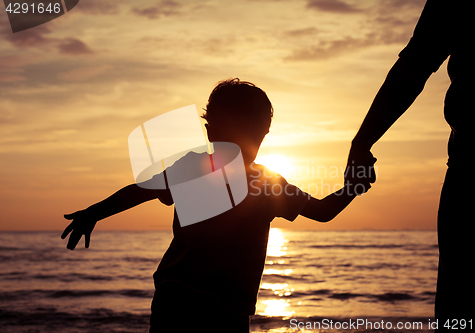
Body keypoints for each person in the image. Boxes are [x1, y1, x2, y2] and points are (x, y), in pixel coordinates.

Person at [62, 78, 376, 333]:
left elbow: (140, 190)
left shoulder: (198, 168)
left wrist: (94, 213)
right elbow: (323, 212)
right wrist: (353, 187)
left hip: (179, 299)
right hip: (220, 307)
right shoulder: (265, 182)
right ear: (263, 133)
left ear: (210, 130)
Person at [346, 0, 475, 330]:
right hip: (470, 170)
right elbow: (415, 63)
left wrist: (362, 143)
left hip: (473, 175)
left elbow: (415, 64)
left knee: (464, 310)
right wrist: (362, 142)